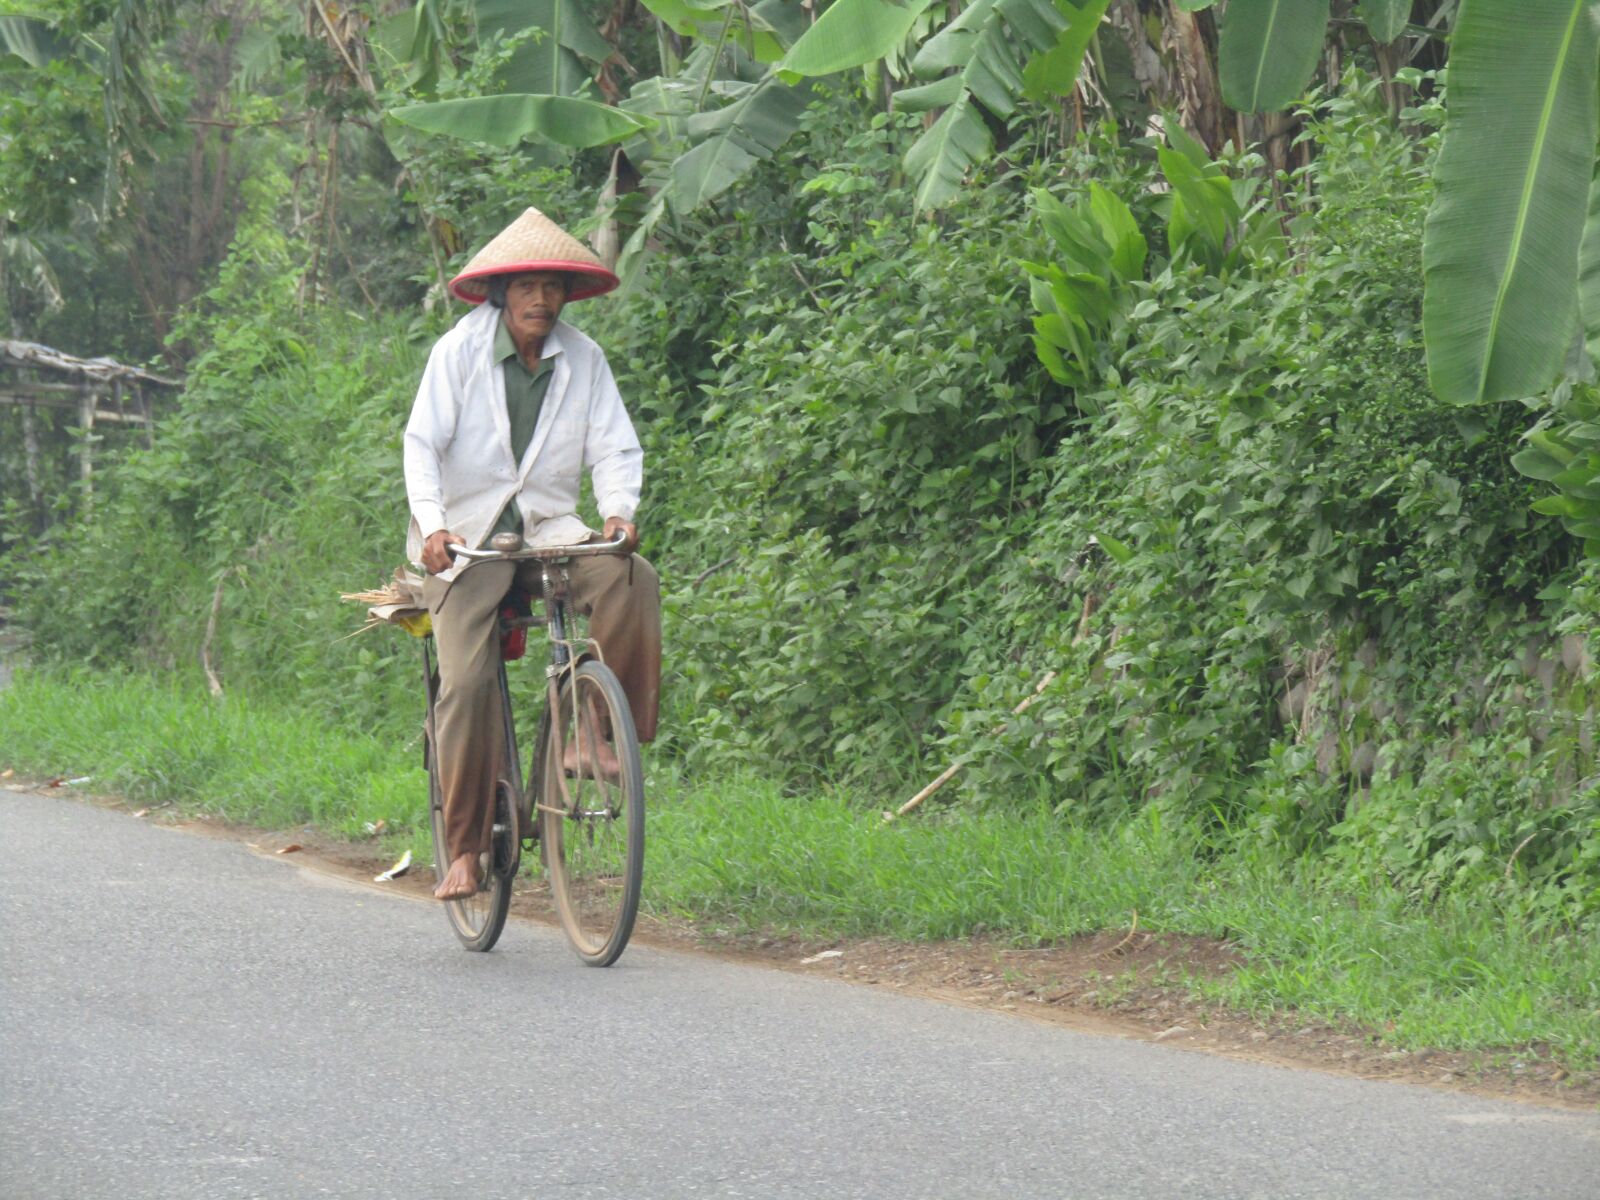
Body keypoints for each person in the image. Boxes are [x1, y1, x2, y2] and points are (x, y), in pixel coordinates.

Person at [403, 206, 661, 902]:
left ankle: (596, 733)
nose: (540, 300)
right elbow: (421, 445)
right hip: (469, 544)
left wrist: (618, 513)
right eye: (526, 288)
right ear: (501, 295)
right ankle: (462, 849)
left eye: (551, 287)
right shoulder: (457, 355)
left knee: (631, 577)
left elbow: (614, 445)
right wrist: (431, 527)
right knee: (465, 684)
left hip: (551, 532)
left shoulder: (583, 359)